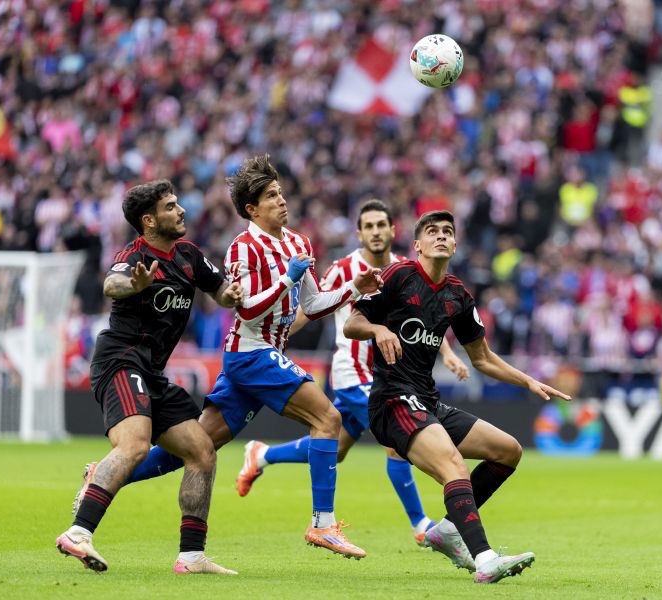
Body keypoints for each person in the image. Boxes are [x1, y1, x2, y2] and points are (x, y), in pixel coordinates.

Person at [80, 154, 381, 559]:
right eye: (271, 196)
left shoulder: (298, 243)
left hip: (264, 355)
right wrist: (287, 278)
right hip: (250, 353)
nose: (282, 201)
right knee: (328, 419)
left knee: (197, 447)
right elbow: (248, 310)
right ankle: (323, 525)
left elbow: (313, 302)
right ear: (252, 209)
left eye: (281, 193)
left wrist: (354, 289)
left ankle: (98, 476)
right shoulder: (243, 248)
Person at [343, 210, 572, 584]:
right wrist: (378, 329)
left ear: (455, 243)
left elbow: (481, 357)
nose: (441, 236)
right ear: (417, 244)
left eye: (447, 232)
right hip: (392, 400)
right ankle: (484, 559)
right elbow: (353, 322)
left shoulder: (457, 295)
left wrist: (528, 381)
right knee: (454, 465)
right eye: (432, 232)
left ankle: (448, 529)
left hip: (428, 402)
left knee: (508, 450)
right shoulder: (398, 275)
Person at [236, 200, 470, 545]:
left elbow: (426, 317)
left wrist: (447, 352)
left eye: (381, 225)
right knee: (398, 443)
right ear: (359, 233)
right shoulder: (343, 269)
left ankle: (263, 454)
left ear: (393, 231)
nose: (376, 232)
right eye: (369, 226)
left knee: (335, 448)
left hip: (390, 373)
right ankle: (421, 524)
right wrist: (277, 340)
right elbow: (311, 309)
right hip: (354, 374)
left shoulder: (407, 270)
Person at [56, 179, 243, 575]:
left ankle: (191, 557)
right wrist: (134, 284)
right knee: (134, 447)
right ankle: (78, 532)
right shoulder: (134, 255)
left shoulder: (189, 255)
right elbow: (113, 283)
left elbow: (221, 291)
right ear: (149, 220)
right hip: (120, 362)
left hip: (152, 373)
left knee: (202, 452)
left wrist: (233, 295)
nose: (182, 211)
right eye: (171, 206)